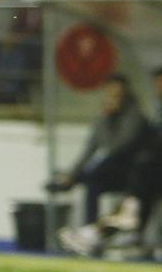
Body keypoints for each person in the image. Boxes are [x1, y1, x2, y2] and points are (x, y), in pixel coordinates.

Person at [47, 74, 150, 226]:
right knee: (92, 182)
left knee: (94, 173)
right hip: (108, 170)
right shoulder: (103, 117)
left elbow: (116, 146)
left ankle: (74, 181)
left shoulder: (135, 117)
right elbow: (89, 149)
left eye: (117, 93)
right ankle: (89, 226)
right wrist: (72, 172)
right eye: (110, 92)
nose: (113, 97)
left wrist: (107, 118)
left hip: (130, 172)